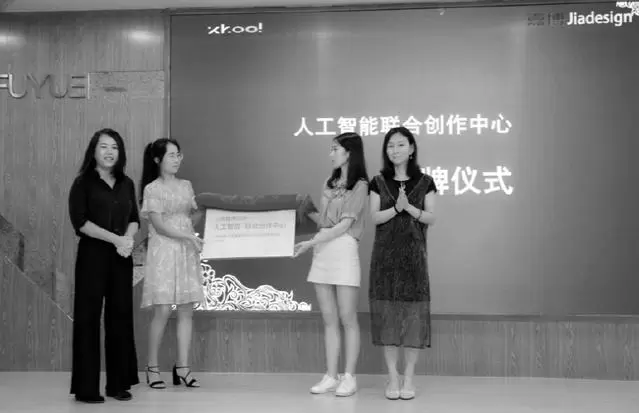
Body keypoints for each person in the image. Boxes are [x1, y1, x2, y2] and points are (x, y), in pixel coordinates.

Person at [68, 128, 140, 403]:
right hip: (93, 256)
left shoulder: (126, 183)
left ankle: (118, 384)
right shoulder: (83, 183)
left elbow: (134, 218)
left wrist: (128, 239)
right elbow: (81, 222)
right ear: (94, 151)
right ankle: (86, 389)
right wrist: (116, 240)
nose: (110, 152)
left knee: (120, 317)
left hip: (122, 257)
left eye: (115, 147)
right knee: (88, 318)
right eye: (104, 147)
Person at [294, 132, 369, 397]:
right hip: (323, 248)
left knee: (348, 317)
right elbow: (326, 222)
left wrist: (310, 243)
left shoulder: (360, 185)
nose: (331, 154)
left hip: (344, 248)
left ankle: (349, 377)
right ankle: (330, 375)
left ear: (349, 152)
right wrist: (305, 209)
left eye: (335, 149)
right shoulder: (329, 181)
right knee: (329, 319)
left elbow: (344, 225)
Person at [368, 126, 437, 401]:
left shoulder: (426, 182)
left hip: (414, 261)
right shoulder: (378, 181)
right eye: (390, 146)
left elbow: (431, 217)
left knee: (413, 320)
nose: (394, 150)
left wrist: (408, 208)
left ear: (411, 148)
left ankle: (409, 377)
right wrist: (396, 208)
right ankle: (393, 377)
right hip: (384, 260)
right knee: (388, 319)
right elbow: (374, 217)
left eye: (400, 145)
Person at [139, 138, 204, 390]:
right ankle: (152, 367)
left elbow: (189, 218)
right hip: (163, 252)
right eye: (172, 155)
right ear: (158, 159)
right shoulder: (152, 189)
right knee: (163, 309)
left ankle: (183, 367)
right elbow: (159, 225)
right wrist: (187, 236)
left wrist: (207, 208)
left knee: (187, 309)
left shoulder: (186, 185)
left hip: (186, 251)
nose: (177, 159)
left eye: (179, 155)